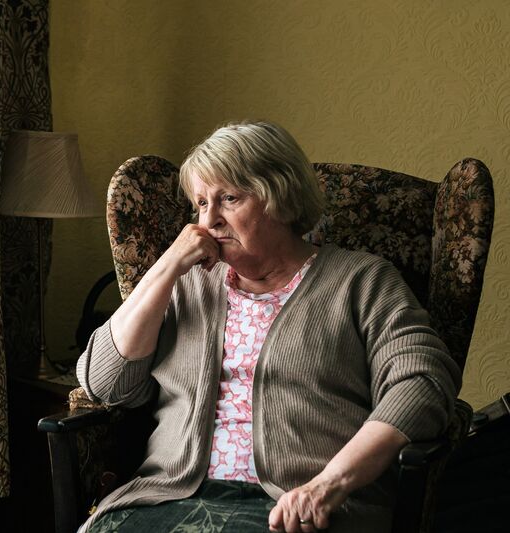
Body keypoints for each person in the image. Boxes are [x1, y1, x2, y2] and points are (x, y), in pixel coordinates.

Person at [76, 121, 460, 533]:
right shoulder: (185, 284)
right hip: (168, 496)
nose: (209, 221)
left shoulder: (361, 280)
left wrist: (330, 483)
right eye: (201, 204)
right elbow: (106, 384)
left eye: (228, 198)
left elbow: (422, 383)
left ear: (282, 198)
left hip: (298, 509)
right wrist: (167, 267)